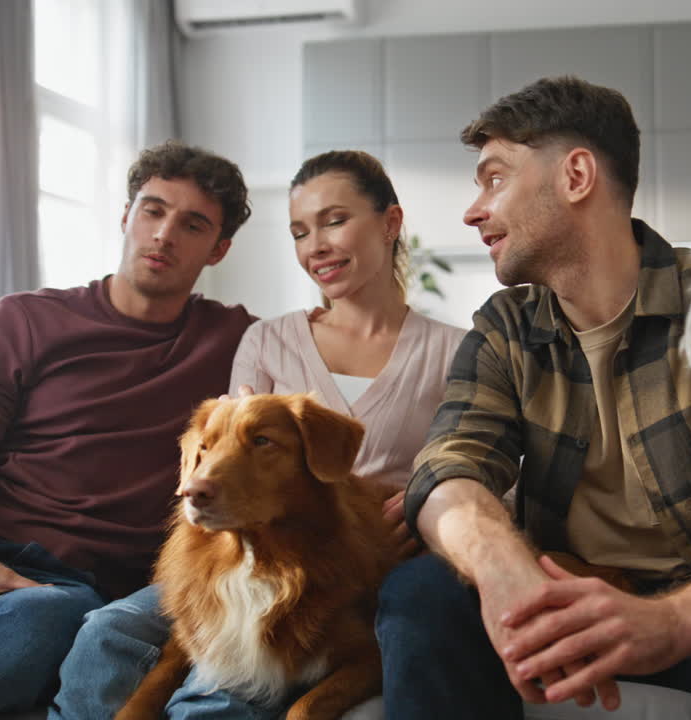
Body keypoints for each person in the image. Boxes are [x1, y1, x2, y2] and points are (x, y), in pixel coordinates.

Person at [376, 75, 691, 720]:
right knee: (419, 592)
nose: (474, 210)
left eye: (494, 178)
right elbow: (450, 467)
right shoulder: (505, 327)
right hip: (567, 593)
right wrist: (508, 577)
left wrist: (669, 623)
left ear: (576, 175)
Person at [50, 149, 465, 719]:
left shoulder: (453, 351)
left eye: (335, 220)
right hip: (249, 557)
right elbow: (228, 447)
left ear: (390, 223)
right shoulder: (267, 341)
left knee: (223, 690)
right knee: (108, 630)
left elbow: (485, 476)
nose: (315, 245)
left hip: (359, 558)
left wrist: (421, 518)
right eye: (300, 231)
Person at [0, 140, 254, 719]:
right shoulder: (26, 318)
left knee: (39, 627)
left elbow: (328, 355)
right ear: (125, 216)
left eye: (192, 225)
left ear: (218, 251)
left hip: (62, 586)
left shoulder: (240, 343)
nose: (164, 234)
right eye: (153, 210)